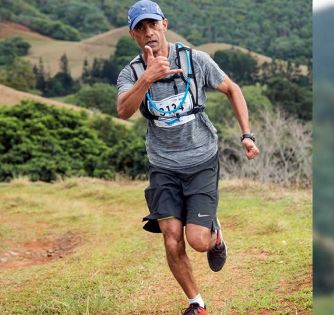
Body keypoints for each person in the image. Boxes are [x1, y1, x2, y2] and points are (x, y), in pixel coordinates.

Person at [116, 1, 260, 314]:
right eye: (140, 28)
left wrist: (247, 135)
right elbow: (124, 111)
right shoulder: (132, 73)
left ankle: (215, 235)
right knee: (170, 239)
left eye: (153, 24)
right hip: (163, 166)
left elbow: (232, 89)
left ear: (164, 25)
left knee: (197, 240)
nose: (148, 32)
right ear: (133, 35)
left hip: (201, 161)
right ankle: (197, 303)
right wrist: (148, 79)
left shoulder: (195, 60)